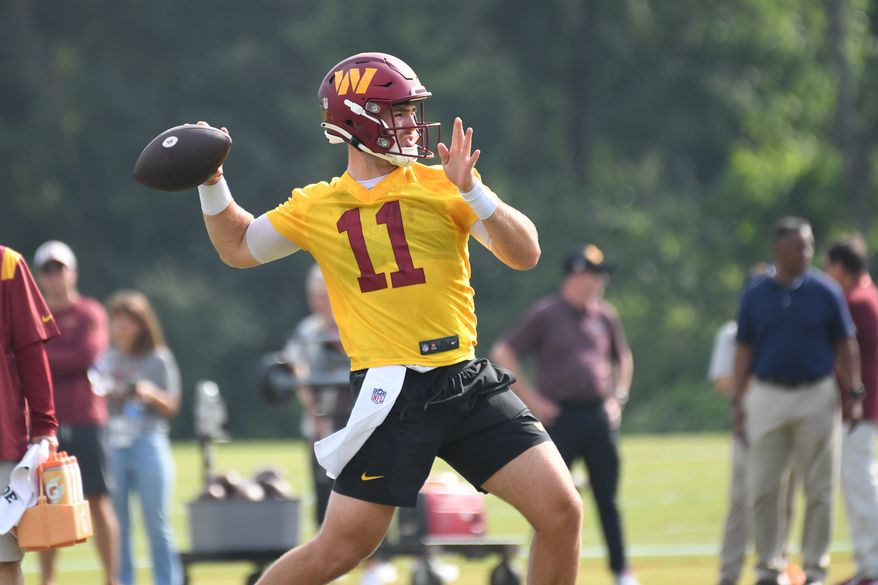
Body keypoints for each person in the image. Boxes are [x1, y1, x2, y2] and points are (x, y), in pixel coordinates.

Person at [194, 52, 582, 585]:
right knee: (340, 549)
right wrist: (211, 179)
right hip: (392, 392)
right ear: (358, 120)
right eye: (398, 112)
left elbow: (526, 253)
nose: (412, 124)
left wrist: (473, 189)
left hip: (463, 377)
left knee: (562, 511)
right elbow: (237, 244)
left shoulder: (446, 183)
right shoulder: (318, 205)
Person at [491, 243, 638, 585]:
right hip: (559, 419)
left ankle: (622, 573)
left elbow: (623, 357)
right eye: (594, 274)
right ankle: (540, 572)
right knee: (551, 501)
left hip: (598, 417)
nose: (601, 281)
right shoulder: (548, 313)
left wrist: (619, 397)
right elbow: (504, 351)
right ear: (576, 274)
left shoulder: (605, 315)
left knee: (608, 497)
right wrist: (532, 400)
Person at [732, 217, 862, 585]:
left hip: (816, 393)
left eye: (809, 245)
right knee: (765, 489)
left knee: (819, 488)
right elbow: (744, 349)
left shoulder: (826, 291)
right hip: (768, 394)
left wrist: (854, 391)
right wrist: (738, 401)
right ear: (778, 250)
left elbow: (845, 343)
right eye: (798, 246)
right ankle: (769, 568)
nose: (806, 253)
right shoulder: (755, 294)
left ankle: (816, 569)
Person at [32, 240, 120, 585]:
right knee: (47, 503)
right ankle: (47, 579)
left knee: (98, 501)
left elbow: (85, 355)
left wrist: (41, 358)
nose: (55, 276)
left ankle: (112, 579)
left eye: (60, 268)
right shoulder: (33, 312)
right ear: (40, 276)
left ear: (73, 272)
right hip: (45, 422)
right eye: (48, 269)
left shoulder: (90, 313)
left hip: (87, 418)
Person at [708, 263, 799, 585]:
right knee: (741, 507)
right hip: (749, 428)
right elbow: (722, 379)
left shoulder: (789, 331)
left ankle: (778, 567)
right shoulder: (734, 332)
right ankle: (729, 575)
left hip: (785, 427)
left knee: (785, 501)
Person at [102, 290, 182, 585]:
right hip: (114, 445)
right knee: (118, 525)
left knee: (157, 523)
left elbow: (173, 404)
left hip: (149, 442)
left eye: (126, 322)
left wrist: (149, 394)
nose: (119, 329)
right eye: (116, 322)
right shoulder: (107, 359)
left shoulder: (158, 358)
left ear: (141, 325)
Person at [0, 245, 59, 585]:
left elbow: (31, 351)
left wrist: (44, 426)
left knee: (3, 561)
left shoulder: (7, 264)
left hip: (1, 443)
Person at [823, 235, 878, 585]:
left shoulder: (854, 301)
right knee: (863, 483)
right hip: (865, 405)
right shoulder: (868, 296)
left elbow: (845, 355)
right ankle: (868, 565)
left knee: (861, 486)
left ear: (840, 267)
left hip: (857, 408)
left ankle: (873, 568)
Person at [282, 264, 352, 527]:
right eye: (314, 296)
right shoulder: (307, 332)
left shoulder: (356, 324)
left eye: (323, 296)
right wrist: (314, 411)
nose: (318, 303)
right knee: (323, 491)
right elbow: (295, 370)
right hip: (321, 422)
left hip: (357, 420)